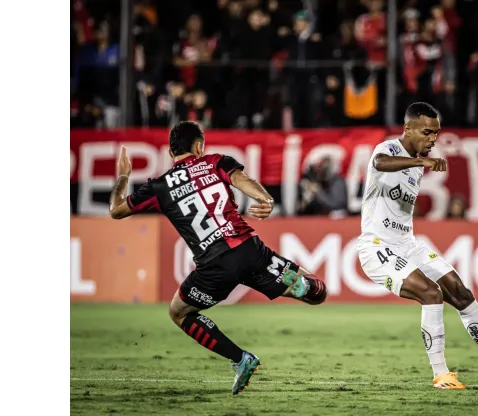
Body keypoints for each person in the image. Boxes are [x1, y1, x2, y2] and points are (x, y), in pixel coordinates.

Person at [108, 121, 327, 395]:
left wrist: (124, 177)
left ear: (171, 152)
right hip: (249, 250)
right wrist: (265, 200)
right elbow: (241, 181)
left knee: (179, 313)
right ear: (199, 146)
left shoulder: (159, 186)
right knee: (318, 293)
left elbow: (116, 210)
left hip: (214, 266)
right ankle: (305, 286)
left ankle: (241, 358)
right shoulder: (215, 162)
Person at [356, 102, 478, 390]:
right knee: (431, 293)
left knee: (460, 293)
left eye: (436, 133)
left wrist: (420, 163)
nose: (433, 139)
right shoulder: (388, 151)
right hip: (377, 247)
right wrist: (420, 162)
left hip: (408, 244)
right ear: (407, 128)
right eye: (427, 132)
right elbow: (380, 165)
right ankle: (441, 374)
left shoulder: (417, 166)